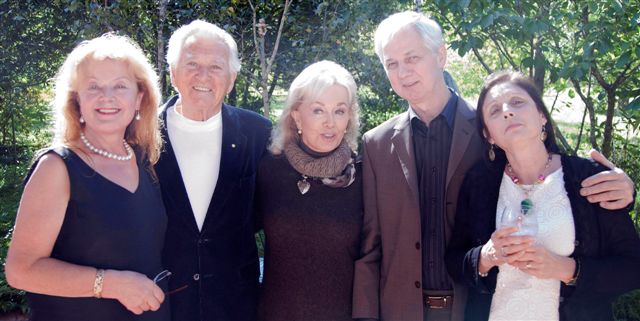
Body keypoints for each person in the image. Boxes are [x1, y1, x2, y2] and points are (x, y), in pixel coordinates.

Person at [352, 11, 636, 321]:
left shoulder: (488, 127)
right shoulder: (376, 143)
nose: (403, 71)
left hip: (470, 307)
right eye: (391, 64)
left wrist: (624, 188)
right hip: (403, 309)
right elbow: (372, 243)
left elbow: (552, 172)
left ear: (440, 55)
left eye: (412, 57)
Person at [445, 70, 640, 320]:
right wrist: (486, 256)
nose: (507, 111)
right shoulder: (479, 183)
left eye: (517, 102)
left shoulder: (587, 178)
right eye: (495, 111)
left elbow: (633, 267)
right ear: (488, 135)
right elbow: (454, 260)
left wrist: (569, 270)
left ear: (541, 116)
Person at [5, 34, 169, 321]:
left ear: (139, 96)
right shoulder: (57, 168)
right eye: (93, 87)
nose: (107, 97)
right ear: (76, 99)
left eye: (120, 85)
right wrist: (113, 284)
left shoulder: (144, 160)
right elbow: (20, 270)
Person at [155, 20, 271, 321]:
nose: (203, 75)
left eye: (216, 67)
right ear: (172, 73)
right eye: (191, 63)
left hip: (235, 303)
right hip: (161, 303)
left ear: (231, 78)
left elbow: (267, 210)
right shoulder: (140, 135)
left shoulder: (258, 133)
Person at [256, 60, 363, 321]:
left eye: (339, 111)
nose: (330, 123)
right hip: (277, 313)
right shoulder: (269, 168)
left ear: (349, 117)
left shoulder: (364, 174)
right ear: (296, 115)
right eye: (318, 110)